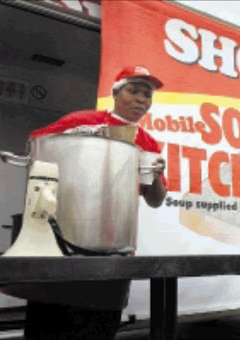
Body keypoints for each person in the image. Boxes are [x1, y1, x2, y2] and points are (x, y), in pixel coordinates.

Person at [22, 65, 167, 340]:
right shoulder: (84, 120)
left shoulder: (148, 144)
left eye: (146, 95)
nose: (140, 99)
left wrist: (157, 175)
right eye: (133, 91)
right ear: (116, 93)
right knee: (48, 324)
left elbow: (156, 200)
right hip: (60, 243)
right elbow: (36, 142)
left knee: (99, 326)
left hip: (113, 248)